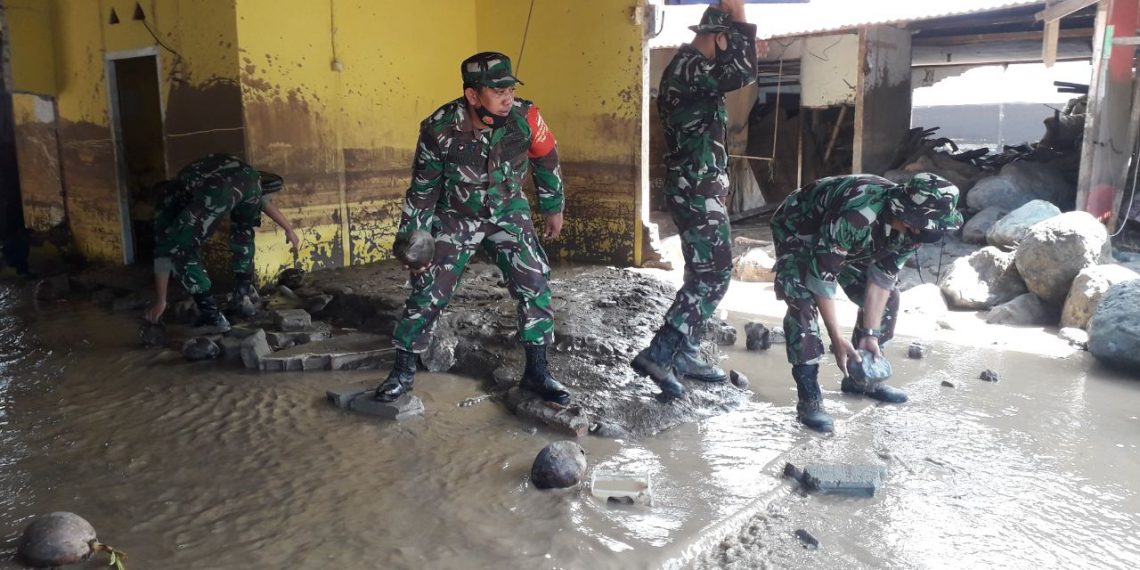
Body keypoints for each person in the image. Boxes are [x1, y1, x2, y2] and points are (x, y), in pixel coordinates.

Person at [372, 52, 570, 406]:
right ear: (473, 95)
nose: (507, 96)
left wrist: (552, 206)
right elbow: (422, 191)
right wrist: (413, 243)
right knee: (428, 288)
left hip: (508, 210)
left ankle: (537, 372)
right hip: (456, 216)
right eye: (497, 90)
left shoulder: (526, 117)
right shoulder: (439, 128)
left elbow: (547, 156)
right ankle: (402, 372)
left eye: (509, 87)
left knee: (535, 280)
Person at [769, 173, 963, 433]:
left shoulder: (915, 231)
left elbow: (882, 279)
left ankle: (862, 377)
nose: (931, 232)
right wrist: (836, 338)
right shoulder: (857, 213)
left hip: (853, 241)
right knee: (802, 303)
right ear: (912, 219)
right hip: (799, 231)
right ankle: (809, 398)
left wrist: (870, 335)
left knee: (890, 298)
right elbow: (822, 277)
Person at [633, 0, 757, 400]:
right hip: (695, 187)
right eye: (730, 41)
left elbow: (735, 70)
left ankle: (684, 354)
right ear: (720, 39)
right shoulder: (689, 67)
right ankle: (660, 353)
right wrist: (741, 17)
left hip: (698, 185)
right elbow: (743, 70)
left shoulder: (695, 71)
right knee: (715, 273)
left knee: (700, 271)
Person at [143, 153, 299, 332]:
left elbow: (163, 253)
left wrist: (161, 301)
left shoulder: (167, 201)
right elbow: (260, 200)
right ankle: (243, 296)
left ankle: (212, 317)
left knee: (181, 250)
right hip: (251, 178)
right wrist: (289, 229)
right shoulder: (192, 177)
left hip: (218, 188)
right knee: (243, 231)